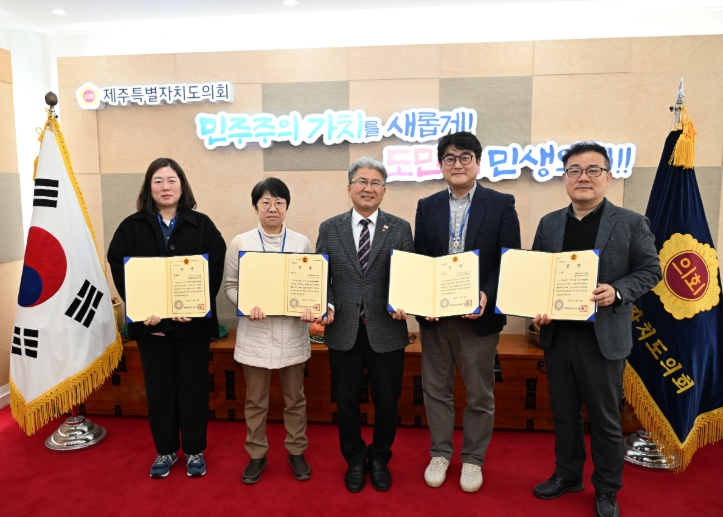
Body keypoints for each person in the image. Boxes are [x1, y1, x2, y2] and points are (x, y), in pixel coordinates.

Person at [531, 142, 661, 517]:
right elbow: (537, 274)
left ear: (608, 176)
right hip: (558, 337)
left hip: (602, 340)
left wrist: (617, 291)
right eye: (574, 170)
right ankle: (568, 474)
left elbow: (651, 270)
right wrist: (535, 309)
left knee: (605, 420)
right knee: (564, 414)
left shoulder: (631, 222)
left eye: (593, 170)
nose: (583, 177)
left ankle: (606, 489)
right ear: (564, 178)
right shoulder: (549, 223)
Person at [412, 131, 521, 492]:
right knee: (435, 389)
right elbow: (422, 259)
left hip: (479, 318)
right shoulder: (427, 206)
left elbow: (508, 258)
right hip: (436, 319)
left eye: (464, 157)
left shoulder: (501, 203)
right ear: (440, 164)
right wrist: (423, 301)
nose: (457, 164)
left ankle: (473, 459)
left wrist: (487, 294)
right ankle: (440, 452)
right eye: (449, 158)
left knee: (480, 394)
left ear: (477, 162)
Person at [108, 158, 226, 478]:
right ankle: (165, 451)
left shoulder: (202, 224)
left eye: (172, 180)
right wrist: (139, 305)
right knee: (159, 391)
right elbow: (119, 265)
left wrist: (197, 306)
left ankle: (194, 450)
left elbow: (215, 266)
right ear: (149, 187)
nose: (165, 187)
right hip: (152, 326)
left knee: (193, 389)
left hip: (192, 326)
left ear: (182, 186)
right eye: (158, 181)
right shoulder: (131, 227)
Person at [315, 157, 414, 493]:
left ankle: (380, 458)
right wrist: (327, 305)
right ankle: (355, 459)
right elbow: (322, 277)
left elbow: (407, 275)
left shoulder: (400, 228)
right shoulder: (330, 228)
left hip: (387, 329)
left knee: (387, 402)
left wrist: (405, 301)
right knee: (346, 402)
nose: (368, 188)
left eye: (375, 182)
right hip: (343, 329)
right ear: (349, 188)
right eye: (361, 181)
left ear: (384, 190)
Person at [223, 177, 315, 485]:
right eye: (266, 202)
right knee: (255, 400)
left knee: (295, 399)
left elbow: (311, 285)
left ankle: (296, 450)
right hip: (256, 335)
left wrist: (309, 306)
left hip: (291, 334)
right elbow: (230, 286)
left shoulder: (301, 242)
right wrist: (246, 304)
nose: (272, 208)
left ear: (287, 207)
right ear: (255, 207)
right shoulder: (241, 242)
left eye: (279, 202)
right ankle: (257, 454)